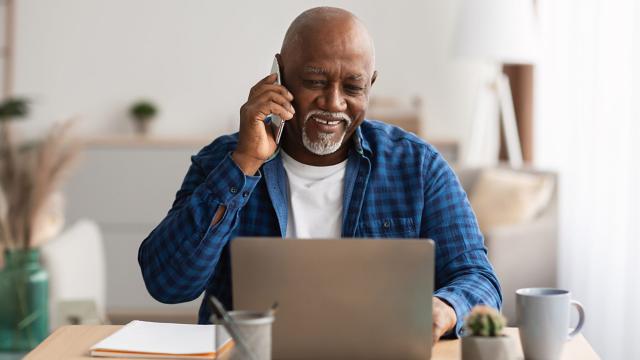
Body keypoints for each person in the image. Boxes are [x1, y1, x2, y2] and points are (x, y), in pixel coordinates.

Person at [138, 6, 501, 344]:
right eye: (315, 81)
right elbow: (167, 284)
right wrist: (245, 163)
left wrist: (447, 308)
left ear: (370, 84)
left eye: (353, 87)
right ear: (278, 76)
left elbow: (479, 280)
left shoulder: (417, 166)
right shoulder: (222, 161)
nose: (334, 102)